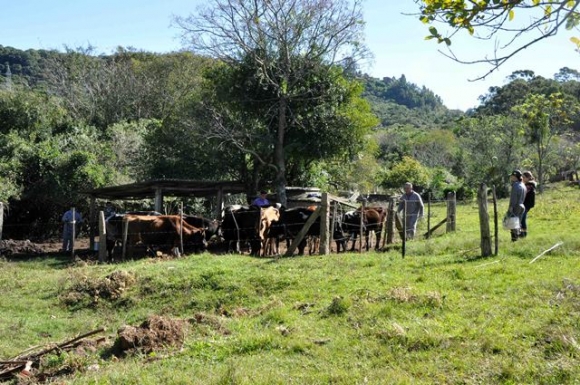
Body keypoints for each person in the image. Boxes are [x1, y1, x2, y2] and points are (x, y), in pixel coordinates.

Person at [507, 170, 526, 242]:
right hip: (522, 205)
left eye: (512, 176)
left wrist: (511, 207)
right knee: (518, 223)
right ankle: (517, 239)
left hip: (516, 206)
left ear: (515, 177)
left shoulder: (515, 185)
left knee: (513, 224)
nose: (511, 177)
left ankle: (514, 240)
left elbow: (514, 198)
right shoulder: (522, 184)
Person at [521, 171, 536, 238]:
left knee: (522, 219)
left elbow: (523, 194)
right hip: (527, 204)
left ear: (528, 178)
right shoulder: (529, 185)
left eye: (524, 177)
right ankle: (523, 233)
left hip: (526, 205)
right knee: (522, 219)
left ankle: (523, 234)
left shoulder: (529, 186)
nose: (522, 178)